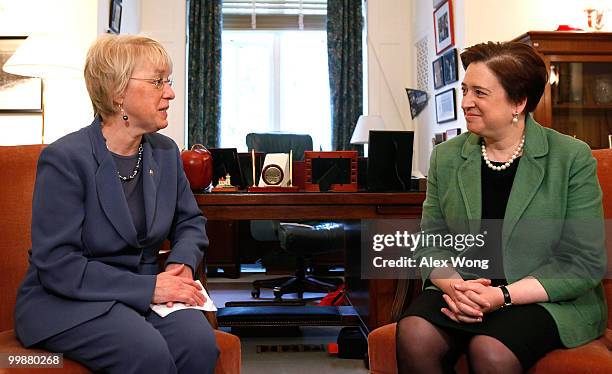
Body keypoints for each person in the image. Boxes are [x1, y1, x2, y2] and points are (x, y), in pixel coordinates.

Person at [396, 41, 607, 373]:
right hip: (464, 287)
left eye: (479, 93)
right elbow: (430, 241)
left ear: (519, 102)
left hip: (540, 298)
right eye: (465, 90)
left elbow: (583, 261)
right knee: (414, 332)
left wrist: (502, 296)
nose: (466, 102)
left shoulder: (571, 157)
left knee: (491, 350)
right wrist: (454, 285)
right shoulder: (447, 157)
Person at [14, 34, 219, 373]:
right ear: (117, 92)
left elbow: (189, 222)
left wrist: (181, 263)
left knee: (197, 343)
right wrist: (149, 287)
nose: (169, 92)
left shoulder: (166, 153)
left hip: (144, 292)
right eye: (157, 82)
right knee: (146, 352)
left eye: (167, 82)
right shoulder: (65, 159)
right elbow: (58, 265)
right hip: (69, 300)